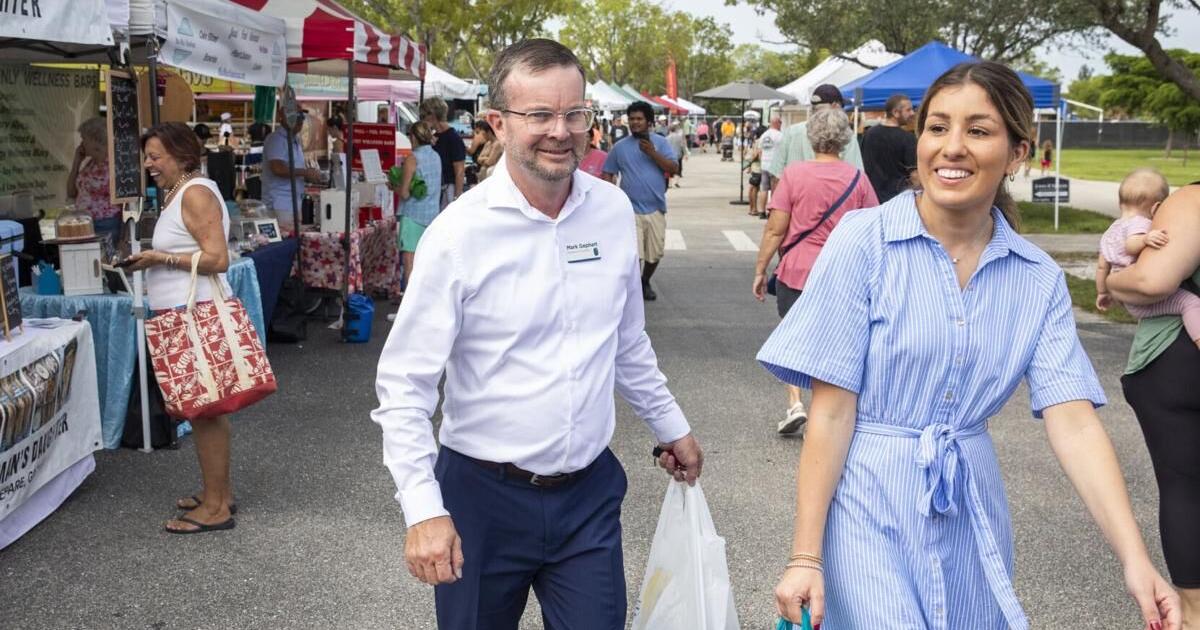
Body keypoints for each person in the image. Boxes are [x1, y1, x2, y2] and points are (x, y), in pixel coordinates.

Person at [761, 61, 1180, 630]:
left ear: (1017, 153)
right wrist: (805, 557)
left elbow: (1075, 423)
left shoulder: (1037, 277)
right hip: (866, 502)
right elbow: (832, 414)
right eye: (937, 128)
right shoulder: (864, 242)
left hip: (970, 505)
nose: (951, 147)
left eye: (978, 131)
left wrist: (1136, 560)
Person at [372, 38, 703, 629]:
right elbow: (405, 384)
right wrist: (423, 509)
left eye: (574, 113)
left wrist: (671, 426)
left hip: (587, 496)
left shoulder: (609, 212)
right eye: (540, 115)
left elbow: (625, 342)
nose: (561, 130)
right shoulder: (457, 234)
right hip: (481, 499)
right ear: (498, 123)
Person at [126, 122, 236, 534]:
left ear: (182, 155)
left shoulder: (194, 193)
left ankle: (215, 508)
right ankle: (218, 495)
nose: (148, 164)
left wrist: (159, 258)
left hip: (193, 315)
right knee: (207, 412)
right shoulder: (185, 191)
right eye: (147, 156)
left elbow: (217, 259)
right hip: (184, 314)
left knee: (205, 412)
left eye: (156, 156)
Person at [1109, 181, 1200, 628]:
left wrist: (1110, 278)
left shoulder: (1192, 200)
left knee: (1185, 486)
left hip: (1178, 364)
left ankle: (1195, 614)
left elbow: (1151, 279)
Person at [753, 108, 877, 434]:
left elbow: (775, 229)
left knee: (794, 336)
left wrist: (760, 269)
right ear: (845, 140)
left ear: (811, 138)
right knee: (835, 343)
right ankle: (828, 410)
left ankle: (795, 403)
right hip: (843, 274)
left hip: (797, 271)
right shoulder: (857, 178)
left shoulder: (794, 175)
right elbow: (873, 229)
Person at [1097, 169, 1200, 348]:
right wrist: (1145, 238)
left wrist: (1103, 292)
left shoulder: (1111, 231)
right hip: (1140, 293)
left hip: (1129, 298)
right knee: (1189, 303)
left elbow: (1101, 267)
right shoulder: (1142, 225)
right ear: (1156, 208)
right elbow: (1131, 245)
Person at [602, 100, 679, 301]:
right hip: (629, 210)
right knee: (634, 255)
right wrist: (610, 200)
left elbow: (673, 169)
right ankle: (635, 288)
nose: (635, 123)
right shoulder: (619, 147)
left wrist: (652, 153)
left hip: (655, 207)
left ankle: (645, 280)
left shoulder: (661, 143)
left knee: (655, 254)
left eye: (640, 119)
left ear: (649, 122)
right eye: (632, 119)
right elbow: (608, 173)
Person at [770, 84, 864, 177]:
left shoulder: (791, 131)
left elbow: (776, 175)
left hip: (793, 190)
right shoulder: (846, 134)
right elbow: (856, 175)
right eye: (841, 107)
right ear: (835, 106)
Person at [391, 121, 441, 293]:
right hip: (432, 216)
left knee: (409, 264)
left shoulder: (412, 159)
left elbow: (404, 193)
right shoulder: (436, 156)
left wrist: (392, 186)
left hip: (413, 216)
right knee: (426, 264)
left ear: (413, 137)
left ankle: (408, 309)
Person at [262, 109, 322, 235]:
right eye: (297, 116)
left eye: (302, 117)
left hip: (293, 201)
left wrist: (309, 175)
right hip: (280, 202)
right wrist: (305, 173)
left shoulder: (295, 140)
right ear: (285, 118)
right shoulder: (277, 140)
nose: (301, 120)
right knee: (285, 238)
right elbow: (277, 168)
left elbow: (294, 169)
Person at [66, 117, 123, 244]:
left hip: (105, 222)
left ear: (94, 140)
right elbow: (71, 192)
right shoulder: (90, 164)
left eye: (84, 139)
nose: (81, 143)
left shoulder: (113, 164)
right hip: (85, 221)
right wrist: (76, 162)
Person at [861, 93, 918, 202]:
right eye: (908, 110)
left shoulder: (869, 134)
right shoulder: (908, 139)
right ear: (895, 112)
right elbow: (914, 175)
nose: (912, 113)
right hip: (900, 200)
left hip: (872, 198)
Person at [419, 97, 466, 209]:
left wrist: (457, 198)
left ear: (432, 115)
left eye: (423, 116)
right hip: (437, 191)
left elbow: (459, 171)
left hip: (448, 190)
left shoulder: (453, 138)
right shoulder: (434, 138)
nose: (421, 120)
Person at [758, 115, 785, 213]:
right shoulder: (779, 135)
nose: (781, 125)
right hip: (775, 166)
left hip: (764, 165)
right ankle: (771, 211)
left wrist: (762, 162)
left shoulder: (764, 135)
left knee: (763, 188)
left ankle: (761, 211)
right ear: (777, 123)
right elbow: (784, 151)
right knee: (775, 190)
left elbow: (759, 151)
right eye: (780, 122)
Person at [666, 123, 688, 188]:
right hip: (678, 155)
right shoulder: (679, 137)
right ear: (675, 130)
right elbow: (683, 146)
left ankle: (670, 184)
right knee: (679, 168)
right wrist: (685, 154)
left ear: (669, 130)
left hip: (669, 156)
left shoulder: (666, 138)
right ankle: (676, 182)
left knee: (669, 169)